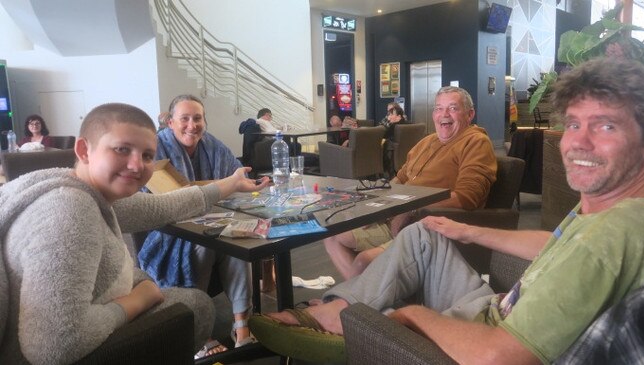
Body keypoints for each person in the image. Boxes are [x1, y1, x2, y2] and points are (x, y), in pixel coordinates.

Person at [251, 57, 644, 364]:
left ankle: (343, 318)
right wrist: (472, 234)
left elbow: (497, 356)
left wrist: (414, 315)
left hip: (490, 331)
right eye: (574, 125)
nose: (578, 143)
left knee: (390, 299)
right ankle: (346, 309)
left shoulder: (612, 236)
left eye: (606, 126)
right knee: (416, 238)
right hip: (496, 303)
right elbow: (558, 243)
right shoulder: (607, 207)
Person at [0, 102, 269, 365]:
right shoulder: (70, 209)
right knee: (195, 307)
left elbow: (162, 205)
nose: (136, 165)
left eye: (147, 156)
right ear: (84, 149)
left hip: (76, 317)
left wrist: (231, 183)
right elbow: (55, 347)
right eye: (121, 149)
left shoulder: (82, 189)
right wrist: (137, 300)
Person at [324, 86, 497, 279]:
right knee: (332, 235)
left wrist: (411, 207)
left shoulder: (476, 143)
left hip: (428, 225)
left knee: (363, 262)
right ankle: (368, 300)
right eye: (439, 108)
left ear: (470, 114)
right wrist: (379, 205)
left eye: (453, 108)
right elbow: (401, 177)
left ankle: (359, 301)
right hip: (396, 217)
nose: (444, 115)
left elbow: (468, 197)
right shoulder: (427, 141)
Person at [137, 94, 255, 351]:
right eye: (185, 119)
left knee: (237, 240)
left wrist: (248, 185)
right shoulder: (155, 148)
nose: (192, 125)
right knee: (208, 243)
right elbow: (147, 199)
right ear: (170, 122)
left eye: (198, 118)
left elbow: (235, 175)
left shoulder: (212, 145)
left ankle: (241, 324)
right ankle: (198, 330)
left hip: (213, 219)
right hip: (170, 230)